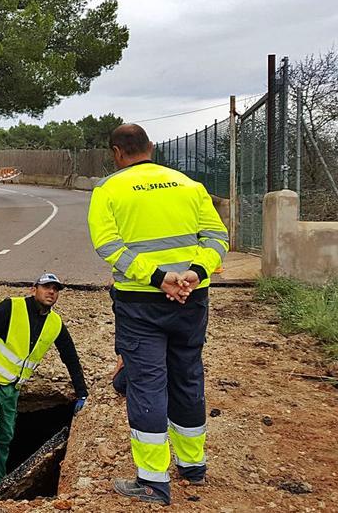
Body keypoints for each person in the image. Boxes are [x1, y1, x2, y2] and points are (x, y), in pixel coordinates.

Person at [88, 123, 229, 505]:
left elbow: (107, 245)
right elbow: (217, 239)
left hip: (139, 304)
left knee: (147, 382)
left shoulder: (108, 190)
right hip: (191, 299)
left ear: (116, 153)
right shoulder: (189, 186)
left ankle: (153, 481)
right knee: (187, 376)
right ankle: (193, 466)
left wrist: (157, 278)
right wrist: (193, 274)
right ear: (151, 147)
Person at [0, 273, 88, 495]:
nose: (51, 292)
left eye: (56, 289)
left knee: (3, 436)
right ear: (34, 289)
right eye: (46, 287)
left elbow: (70, 357)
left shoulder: (55, 323)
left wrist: (82, 393)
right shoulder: (11, 307)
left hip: (12, 388)